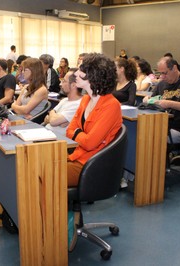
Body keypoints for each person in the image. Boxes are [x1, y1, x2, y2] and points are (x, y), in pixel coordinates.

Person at [66, 53, 122, 252]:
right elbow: (69, 130)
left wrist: (78, 133)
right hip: (78, 159)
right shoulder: (85, 100)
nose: (77, 74)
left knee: (45, 173)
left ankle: (64, 226)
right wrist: (80, 134)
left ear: (94, 76)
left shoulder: (111, 105)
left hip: (90, 167)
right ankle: (65, 223)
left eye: (82, 70)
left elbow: (89, 143)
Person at [144, 57, 180, 144]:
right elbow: (154, 101)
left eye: (165, 73)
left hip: (178, 129)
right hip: (161, 124)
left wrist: (170, 104)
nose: (162, 77)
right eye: (160, 74)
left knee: (148, 138)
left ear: (174, 68)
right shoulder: (162, 84)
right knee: (140, 133)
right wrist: (148, 100)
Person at [44, 68, 82, 135]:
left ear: (73, 85)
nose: (60, 84)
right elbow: (46, 119)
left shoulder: (78, 104)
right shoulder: (64, 100)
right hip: (46, 133)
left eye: (64, 81)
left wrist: (52, 116)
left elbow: (53, 121)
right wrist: (53, 115)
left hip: (57, 140)